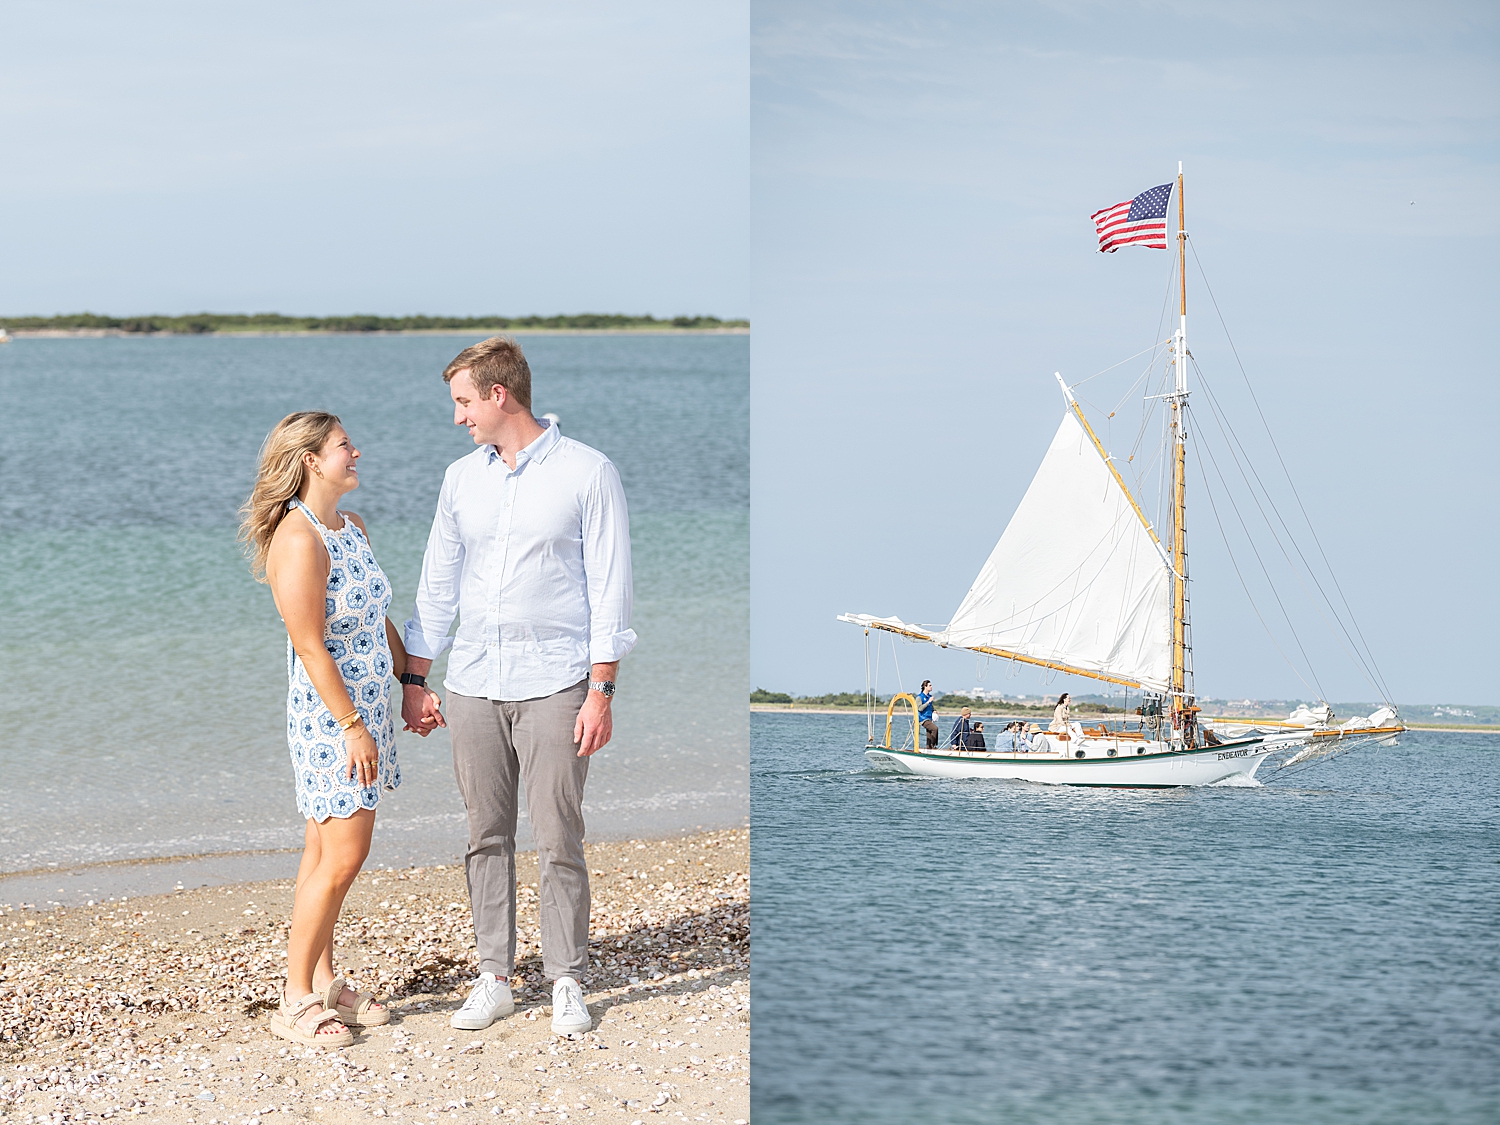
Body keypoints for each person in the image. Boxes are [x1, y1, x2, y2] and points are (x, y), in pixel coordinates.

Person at [401, 336, 635, 1037]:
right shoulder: (459, 479)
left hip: (557, 683)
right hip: (473, 682)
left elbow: (611, 587)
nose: (458, 417)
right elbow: (438, 588)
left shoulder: (588, 472)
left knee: (560, 834)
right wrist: (417, 677)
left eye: (463, 402)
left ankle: (566, 978)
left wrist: (602, 690)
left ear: (500, 395)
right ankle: (494, 976)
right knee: (485, 834)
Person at [240, 412, 405, 1047]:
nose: (356, 451)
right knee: (343, 856)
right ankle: (292, 1001)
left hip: (365, 712)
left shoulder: (351, 529)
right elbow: (310, 646)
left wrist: (412, 682)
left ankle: (324, 983)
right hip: (331, 720)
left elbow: (374, 619)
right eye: (344, 446)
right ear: (311, 459)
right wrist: (353, 726)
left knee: (320, 853)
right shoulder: (298, 538)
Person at [917, 680, 938, 748]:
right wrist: (928, 702)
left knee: (929, 734)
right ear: (925, 687)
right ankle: (933, 745)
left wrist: (934, 710)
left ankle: (929, 748)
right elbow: (920, 708)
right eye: (930, 685)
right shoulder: (919, 697)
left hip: (929, 718)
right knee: (935, 729)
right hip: (923, 718)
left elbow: (930, 707)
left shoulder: (930, 696)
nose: (931, 687)